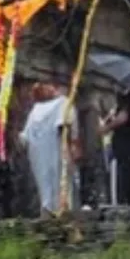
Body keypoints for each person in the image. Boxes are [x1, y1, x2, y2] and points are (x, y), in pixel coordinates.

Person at [19, 83, 80, 214]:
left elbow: (24, 138)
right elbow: (64, 128)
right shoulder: (63, 103)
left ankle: (50, 211)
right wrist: (70, 149)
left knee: (47, 190)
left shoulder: (35, 111)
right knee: (60, 187)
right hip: (55, 152)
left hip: (39, 156)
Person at [99, 91, 130, 205]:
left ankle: (123, 204)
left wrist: (106, 128)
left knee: (124, 182)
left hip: (126, 149)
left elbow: (123, 118)